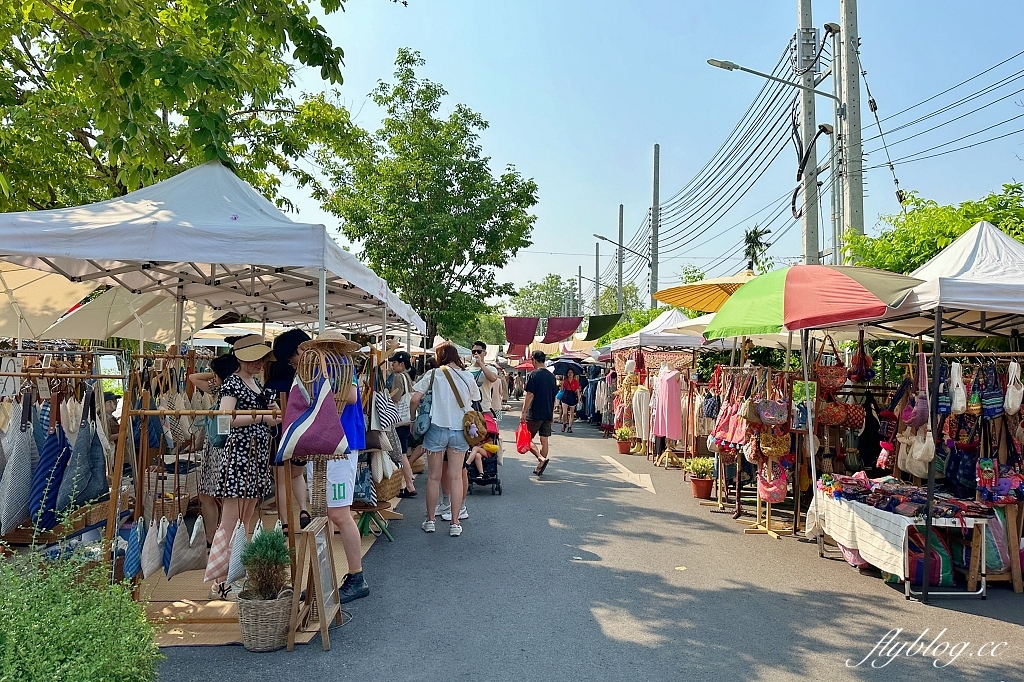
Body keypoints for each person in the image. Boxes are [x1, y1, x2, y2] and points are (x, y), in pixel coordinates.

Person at [204, 335, 281, 599]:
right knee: (230, 522)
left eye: (262, 358)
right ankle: (221, 580)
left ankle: (234, 573)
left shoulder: (257, 384)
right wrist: (260, 415)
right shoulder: (233, 383)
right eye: (256, 358)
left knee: (243, 521)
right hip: (239, 458)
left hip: (255, 459)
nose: (261, 363)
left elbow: (271, 423)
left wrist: (273, 412)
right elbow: (224, 421)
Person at [410, 342, 481, 537]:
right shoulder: (468, 376)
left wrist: (413, 419)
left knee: (434, 477)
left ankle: (431, 520)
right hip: (460, 431)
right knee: (456, 476)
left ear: (440, 356)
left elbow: (415, 398)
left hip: (436, 429)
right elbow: (475, 399)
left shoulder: (433, 374)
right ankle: (455, 523)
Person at [188, 354, 239, 546]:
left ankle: (218, 538)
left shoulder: (224, 390)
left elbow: (194, 378)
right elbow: (193, 378)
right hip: (218, 447)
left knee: (217, 495)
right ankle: (214, 537)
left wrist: (219, 373)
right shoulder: (222, 388)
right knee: (211, 495)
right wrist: (219, 372)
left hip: (221, 447)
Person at [265, 329, 313, 530]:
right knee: (296, 475)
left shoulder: (270, 385)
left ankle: (285, 522)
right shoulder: (305, 380)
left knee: (282, 481)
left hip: (277, 436)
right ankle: (303, 508)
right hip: (299, 434)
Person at [521, 350, 558, 476]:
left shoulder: (534, 375)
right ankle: (539, 466)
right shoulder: (552, 377)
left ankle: (540, 459)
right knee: (544, 440)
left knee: (526, 438)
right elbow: (554, 397)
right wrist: (552, 414)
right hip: (547, 412)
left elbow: (530, 394)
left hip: (535, 412)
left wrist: (523, 412)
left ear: (534, 360)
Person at [387, 350, 417, 498]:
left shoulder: (399, 377)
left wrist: (387, 394)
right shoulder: (408, 378)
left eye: (394, 362)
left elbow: (396, 397)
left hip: (399, 421)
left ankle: (410, 485)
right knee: (403, 451)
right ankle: (410, 482)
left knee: (401, 453)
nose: (392, 365)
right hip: (407, 420)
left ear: (401, 364)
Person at [560, 368, 581, 433]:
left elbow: (577, 391)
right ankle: (564, 424)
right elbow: (561, 390)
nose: (570, 374)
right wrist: (562, 384)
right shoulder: (565, 381)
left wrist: (579, 399)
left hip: (572, 396)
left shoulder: (575, 382)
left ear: (573, 374)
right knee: (565, 413)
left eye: (571, 372)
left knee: (572, 413)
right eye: (569, 372)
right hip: (565, 396)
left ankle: (570, 427)